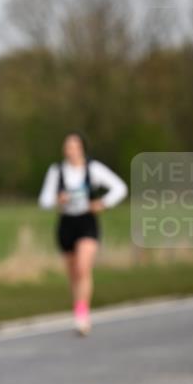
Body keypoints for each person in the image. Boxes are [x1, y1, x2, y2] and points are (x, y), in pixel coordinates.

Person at [38, 132, 127, 336]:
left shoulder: (92, 168)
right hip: (66, 223)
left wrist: (103, 203)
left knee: (82, 267)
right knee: (73, 273)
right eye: (67, 146)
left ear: (82, 149)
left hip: (87, 221)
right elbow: (43, 201)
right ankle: (79, 308)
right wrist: (56, 200)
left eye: (74, 146)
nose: (70, 150)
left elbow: (120, 187)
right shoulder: (57, 171)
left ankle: (82, 314)